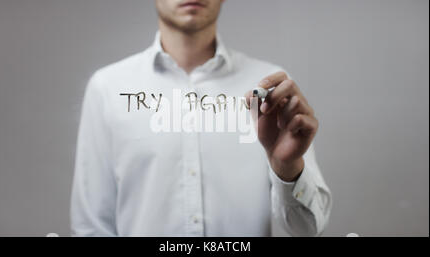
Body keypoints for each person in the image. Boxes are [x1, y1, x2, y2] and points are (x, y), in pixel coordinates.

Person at [71, 0, 332, 237]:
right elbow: (91, 227)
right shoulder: (107, 88)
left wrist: (287, 168)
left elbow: (308, 230)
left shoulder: (270, 88)